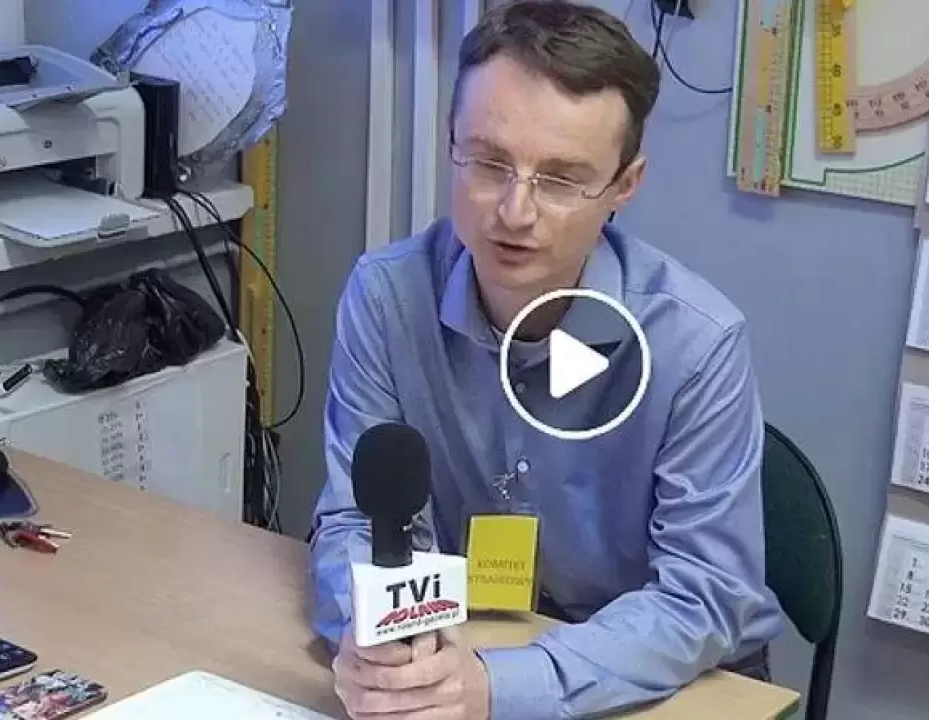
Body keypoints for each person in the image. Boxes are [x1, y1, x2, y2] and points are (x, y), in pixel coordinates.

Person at [308, 2, 785, 718]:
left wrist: (504, 687)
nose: (514, 213)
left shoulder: (694, 343)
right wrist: (373, 639)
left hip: (656, 675)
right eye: (489, 162)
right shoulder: (386, 297)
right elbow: (356, 520)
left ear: (624, 185)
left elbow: (703, 595)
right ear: (451, 144)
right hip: (466, 641)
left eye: (561, 179)